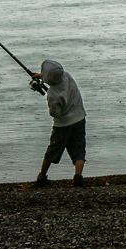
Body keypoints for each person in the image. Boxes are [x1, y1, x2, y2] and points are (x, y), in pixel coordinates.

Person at [32, 59, 87, 187]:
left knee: (53, 150)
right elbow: (54, 77)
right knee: (79, 149)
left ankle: (42, 177)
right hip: (79, 118)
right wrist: (41, 77)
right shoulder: (67, 76)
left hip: (62, 125)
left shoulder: (52, 94)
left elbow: (55, 113)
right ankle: (78, 177)